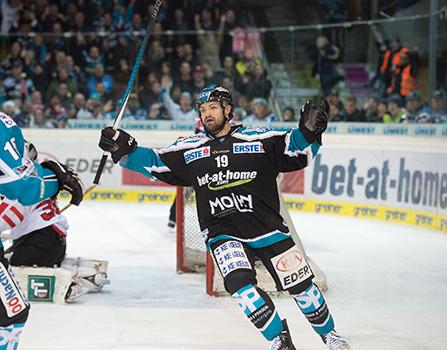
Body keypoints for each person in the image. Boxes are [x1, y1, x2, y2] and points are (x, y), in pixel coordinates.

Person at [99, 85, 350, 350]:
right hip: (222, 232)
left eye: (213, 108)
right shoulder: (190, 148)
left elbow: (295, 146)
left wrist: (310, 132)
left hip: (268, 228)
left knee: (303, 287)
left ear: (228, 110)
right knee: (241, 288)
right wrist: (122, 147)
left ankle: (330, 335)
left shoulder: (258, 138)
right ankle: (279, 339)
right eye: (203, 109)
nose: (207, 114)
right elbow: (152, 160)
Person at [0, 112, 83, 349]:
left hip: (41, 238)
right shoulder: (5, 129)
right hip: (47, 237)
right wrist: (56, 177)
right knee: (12, 315)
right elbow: (24, 189)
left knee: (12, 311)